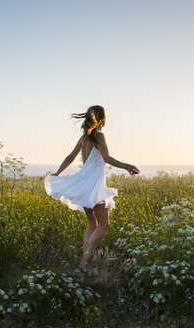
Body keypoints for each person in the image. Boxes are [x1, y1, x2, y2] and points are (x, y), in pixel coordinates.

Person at [44, 105, 139, 274]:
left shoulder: (84, 138)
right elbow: (107, 158)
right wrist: (127, 166)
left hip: (84, 183)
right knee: (103, 224)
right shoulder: (99, 136)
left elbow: (69, 157)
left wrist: (58, 173)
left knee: (92, 223)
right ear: (103, 118)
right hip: (94, 185)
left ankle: (84, 261)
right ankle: (85, 262)